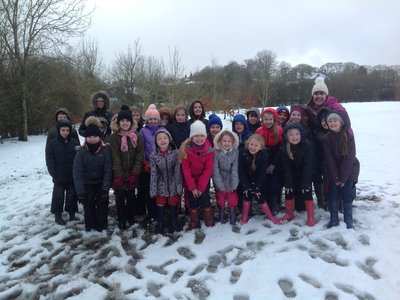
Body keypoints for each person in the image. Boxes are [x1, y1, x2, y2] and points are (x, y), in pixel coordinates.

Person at [73, 121, 112, 231]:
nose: (92, 139)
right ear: (86, 138)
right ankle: (89, 225)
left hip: (100, 182)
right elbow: (77, 172)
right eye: (89, 136)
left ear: (99, 137)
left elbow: (108, 170)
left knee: (102, 203)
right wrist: (80, 191)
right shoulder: (81, 152)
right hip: (87, 183)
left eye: (95, 136)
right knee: (88, 203)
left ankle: (102, 224)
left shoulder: (105, 151)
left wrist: (105, 188)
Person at [323, 110, 360, 229]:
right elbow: (329, 159)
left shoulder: (348, 136)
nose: (332, 123)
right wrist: (336, 178)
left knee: (347, 194)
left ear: (342, 122)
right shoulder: (327, 138)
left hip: (349, 170)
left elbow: (349, 158)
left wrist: (343, 178)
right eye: (330, 121)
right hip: (333, 172)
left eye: (335, 120)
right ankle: (333, 219)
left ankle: (348, 220)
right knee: (333, 194)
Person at [110, 109, 144, 230]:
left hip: (132, 173)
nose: (125, 123)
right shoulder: (114, 138)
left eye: (127, 121)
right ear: (118, 123)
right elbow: (115, 157)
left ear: (131, 122)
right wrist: (118, 175)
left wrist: (135, 173)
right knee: (119, 198)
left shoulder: (136, 136)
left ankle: (130, 217)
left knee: (130, 197)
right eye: (122, 121)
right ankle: (121, 219)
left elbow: (140, 155)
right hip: (119, 174)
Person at [279, 123, 315, 226]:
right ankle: (289, 214)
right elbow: (285, 166)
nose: (294, 137)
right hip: (292, 174)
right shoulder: (285, 146)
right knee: (289, 190)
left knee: (307, 191)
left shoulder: (307, 145)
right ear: (287, 136)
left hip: (305, 173)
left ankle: (311, 216)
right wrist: (288, 182)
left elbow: (308, 165)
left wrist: (306, 182)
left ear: (301, 134)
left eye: (297, 134)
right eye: (291, 135)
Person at [238, 134, 279, 224]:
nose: (253, 147)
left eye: (256, 145)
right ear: (248, 144)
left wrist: (257, 187)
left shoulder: (264, 155)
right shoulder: (242, 153)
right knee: (247, 194)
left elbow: (262, 173)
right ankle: (244, 218)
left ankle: (270, 217)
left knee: (258, 195)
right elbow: (241, 171)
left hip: (258, 179)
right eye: (251, 144)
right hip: (246, 178)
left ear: (261, 147)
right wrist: (245, 186)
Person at [45, 119, 80, 225]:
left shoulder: (74, 143)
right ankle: (57, 215)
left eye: (67, 130)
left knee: (71, 196)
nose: (65, 132)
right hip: (59, 175)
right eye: (63, 130)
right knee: (58, 196)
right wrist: (53, 173)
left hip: (71, 175)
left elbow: (78, 159)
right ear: (59, 130)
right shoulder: (53, 143)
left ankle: (72, 213)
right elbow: (49, 159)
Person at [181, 120, 214, 229]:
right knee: (192, 200)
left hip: (203, 180)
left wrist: (200, 187)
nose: (199, 139)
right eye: (196, 136)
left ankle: (208, 218)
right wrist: (193, 188)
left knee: (205, 198)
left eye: (201, 136)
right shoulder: (186, 150)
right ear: (191, 137)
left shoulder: (209, 150)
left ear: (205, 136)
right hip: (191, 180)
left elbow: (208, 170)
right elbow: (186, 170)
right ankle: (194, 219)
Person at [150, 128, 182, 233]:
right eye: (159, 139)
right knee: (160, 202)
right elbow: (154, 173)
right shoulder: (154, 155)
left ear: (169, 139)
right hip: (161, 183)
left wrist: (178, 187)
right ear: (156, 141)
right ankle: (161, 223)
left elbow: (177, 171)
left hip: (173, 183)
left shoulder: (175, 153)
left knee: (173, 202)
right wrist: (153, 189)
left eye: (165, 138)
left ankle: (174, 222)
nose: (162, 141)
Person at [138, 104, 163, 225]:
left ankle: (160, 212)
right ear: (147, 120)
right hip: (148, 165)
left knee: (160, 190)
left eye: (155, 119)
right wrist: (144, 162)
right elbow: (141, 148)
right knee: (150, 191)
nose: (153, 121)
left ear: (158, 120)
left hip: (161, 165)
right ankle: (151, 213)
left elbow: (167, 145)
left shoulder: (163, 130)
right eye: (150, 119)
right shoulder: (143, 131)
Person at [255, 108, 283, 213]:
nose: (268, 122)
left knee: (275, 184)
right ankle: (265, 205)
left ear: (274, 119)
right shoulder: (259, 131)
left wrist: (273, 164)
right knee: (264, 183)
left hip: (275, 159)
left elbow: (280, 149)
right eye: (265, 119)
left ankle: (275, 204)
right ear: (262, 119)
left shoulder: (279, 130)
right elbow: (258, 149)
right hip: (263, 159)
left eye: (270, 119)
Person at [212, 130, 240, 225]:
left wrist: (234, 185)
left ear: (233, 142)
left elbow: (235, 170)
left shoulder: (235, 153)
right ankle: (221, 215)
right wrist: (220, 185)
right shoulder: (216, 152)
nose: (227, 143)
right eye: (224, 141)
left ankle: (233, 216)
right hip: (220, 179)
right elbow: (215, 170)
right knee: (221, 198)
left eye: (229, 141)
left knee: (233, 199)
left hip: (231, 179)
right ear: (220, 142)